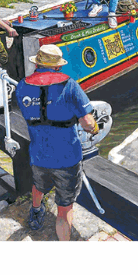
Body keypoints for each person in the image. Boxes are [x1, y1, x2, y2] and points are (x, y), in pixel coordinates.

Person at [13, 44, 99, 241]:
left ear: (37, 64)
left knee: (39, 185)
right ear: (58, 66)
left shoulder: (22, 86)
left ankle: (36, 211)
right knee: (64, 208)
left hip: (39, 153)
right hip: (67, 157)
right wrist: (95, 128)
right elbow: (87, 123)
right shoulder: (70, 85)